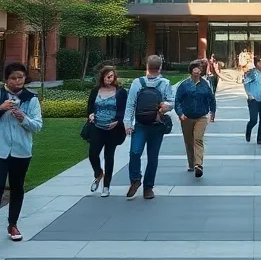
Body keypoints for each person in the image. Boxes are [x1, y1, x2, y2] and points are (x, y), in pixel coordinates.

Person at [0, 61, 44, 248]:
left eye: (20, 77)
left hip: (21, 151)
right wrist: (0, 109)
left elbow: (37, 125)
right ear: (6, 79)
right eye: (13, 78)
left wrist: (23, 118)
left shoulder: (31, 99)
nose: (17, 81)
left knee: (17, 187)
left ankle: (13, 225)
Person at [124, 54, 175, 200]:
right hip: (152, 125)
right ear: (160, 68)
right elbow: (172, 102)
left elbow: (130, 104)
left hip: (144, 124)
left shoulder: (140, 83)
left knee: (135, 153)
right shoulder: (161, 83)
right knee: (151, 157)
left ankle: (140, 182)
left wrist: (128, 123)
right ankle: (144, 186)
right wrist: (167, 106)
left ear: (146, 66)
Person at [87, 65, 127, 197]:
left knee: (109, 157)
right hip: (97, 127)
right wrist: (91, 115)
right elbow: (90, 107)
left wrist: (118, 121)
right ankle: (98, 173)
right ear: (102, 77)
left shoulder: (120, 92)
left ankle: (106, 186)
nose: (109, 78)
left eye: (111, 76)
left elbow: (124, 110)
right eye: (106, 76)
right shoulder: (95, 91)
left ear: (114, 77)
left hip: (112, 129)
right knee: (93, 154)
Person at [175, 59, 217, 177]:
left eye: (199, 69)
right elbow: (177, 100)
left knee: (198, 139)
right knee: (189, 141)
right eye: (195, 69)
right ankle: (191, 163)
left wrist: (213, 111)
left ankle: (199, 165)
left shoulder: (205, 84)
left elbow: (211, 98)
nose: (197, 71)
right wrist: (180, 113)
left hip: (201, 116)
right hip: (186, 117)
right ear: (191, 71)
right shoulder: (184, 85)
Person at [243, 56, 261, 145]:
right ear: (256, 64)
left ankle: (259, 139)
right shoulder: (252, 73)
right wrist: (249, 94)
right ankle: (248, 130)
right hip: (254, 100)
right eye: (260, 63)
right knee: (254, 120)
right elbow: (245, 83)